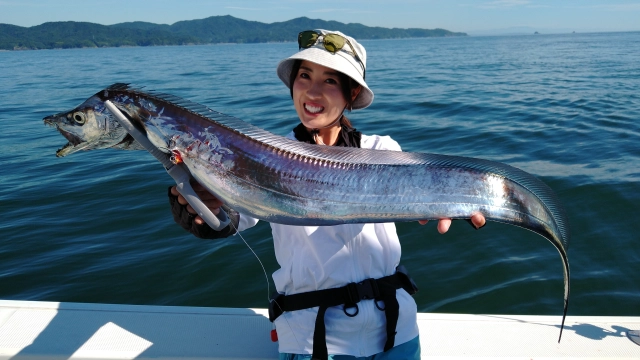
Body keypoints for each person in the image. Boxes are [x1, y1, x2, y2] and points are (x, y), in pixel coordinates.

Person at [168, 29, 486, 360]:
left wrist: (454, 201)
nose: (313, 90)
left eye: (330, 80)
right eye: (304, 75)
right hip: (314, 342)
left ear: (351, 93)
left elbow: (420, 193)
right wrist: (196, 204)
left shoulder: (382, 150)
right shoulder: (265, 155)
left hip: (397, 334)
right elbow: (228, 219)